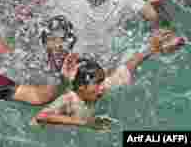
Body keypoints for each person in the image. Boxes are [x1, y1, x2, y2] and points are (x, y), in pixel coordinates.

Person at [33, 32, 185, 129]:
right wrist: (86, 123)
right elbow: (41, 117)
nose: (102, 88)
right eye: (97, 84)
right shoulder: (70, 99)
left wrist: (151, 49)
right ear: (81, 88)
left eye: (102, 82)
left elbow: (128, 67)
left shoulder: (100, 88)